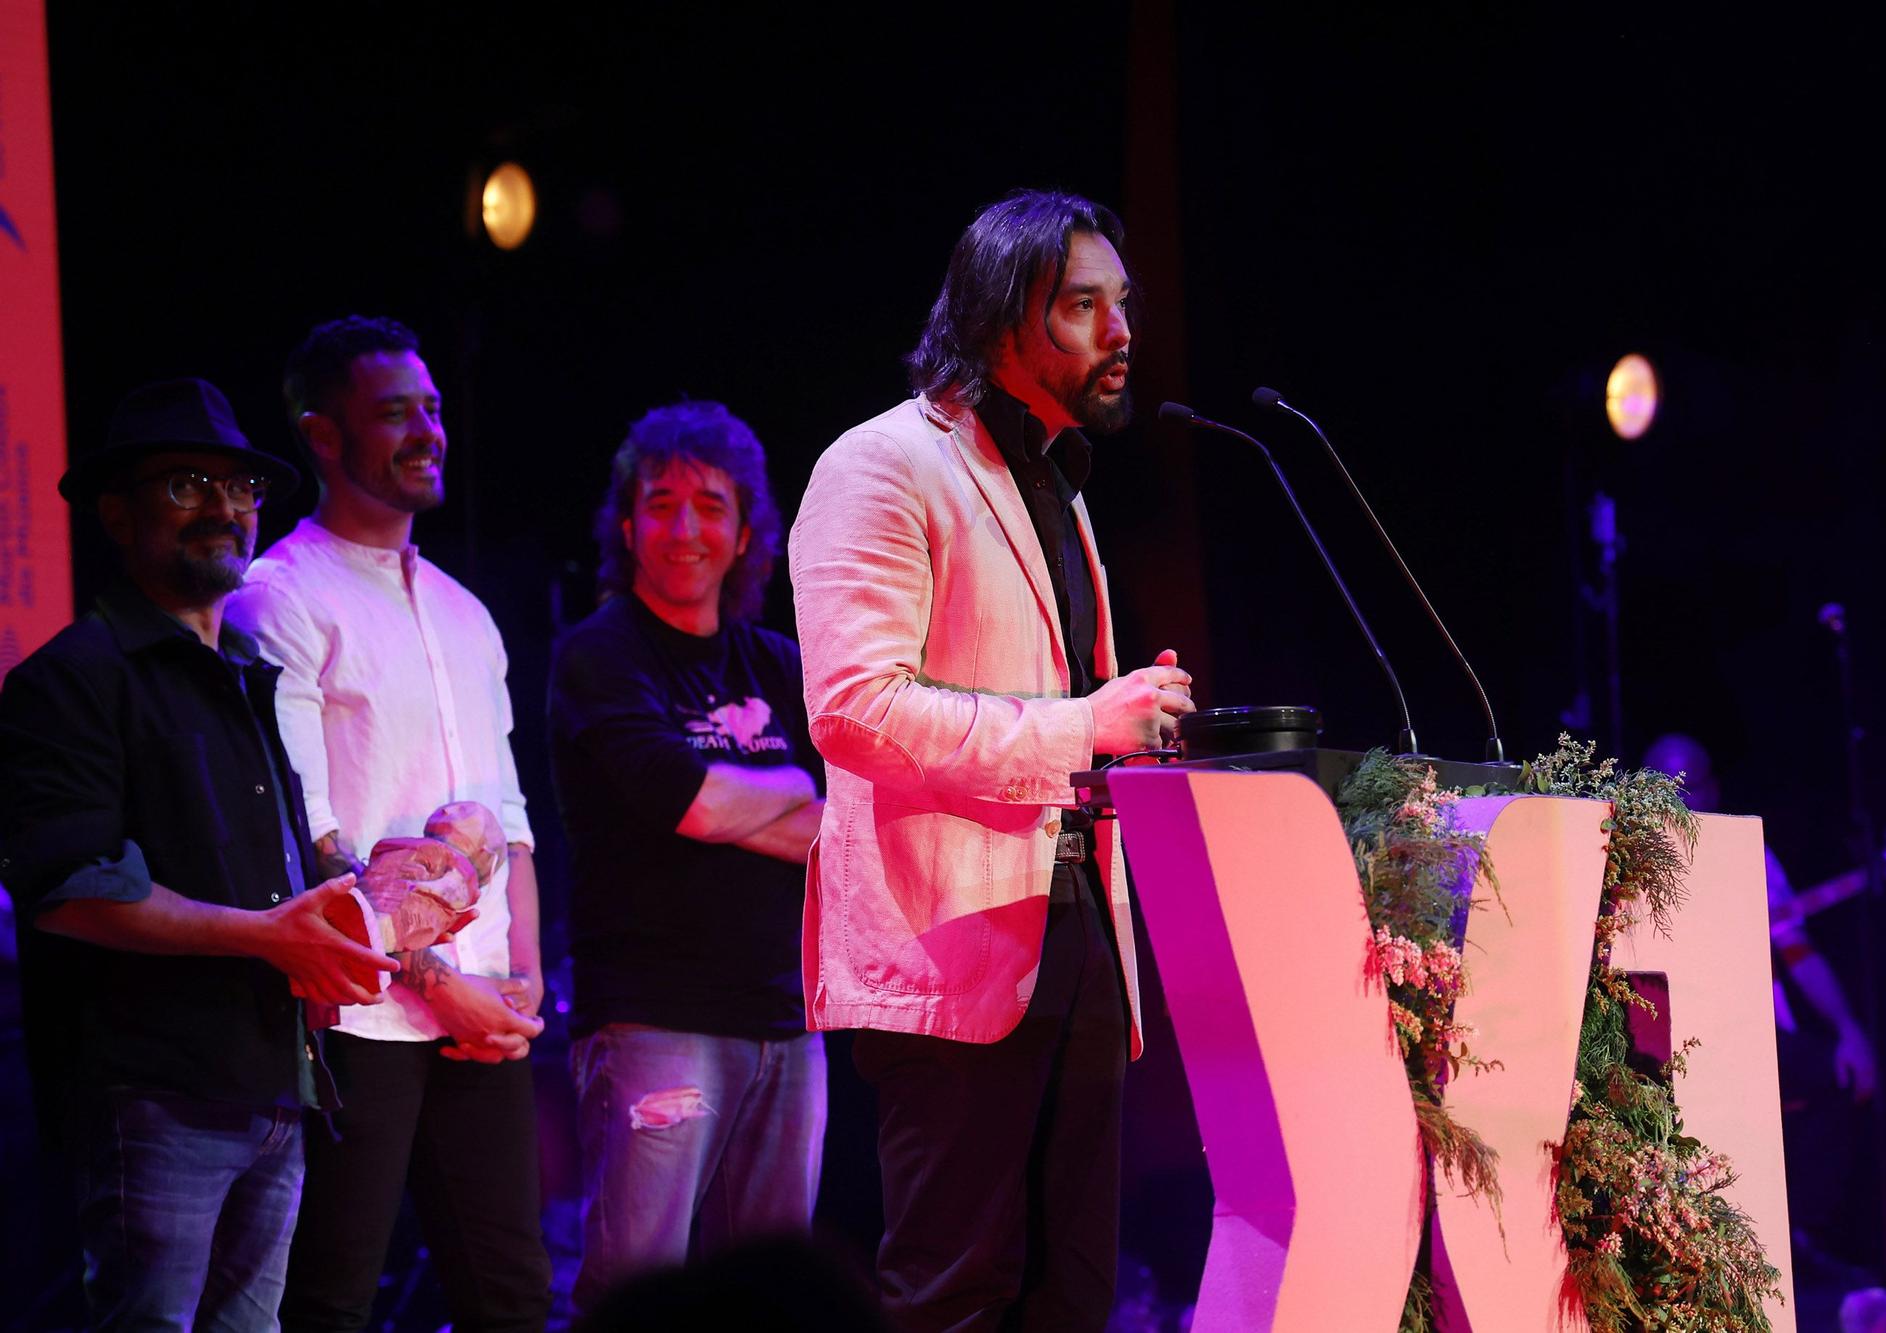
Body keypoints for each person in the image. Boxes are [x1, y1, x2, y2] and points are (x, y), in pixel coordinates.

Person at [789, 189, 1196, 1329]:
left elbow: (1052, 706)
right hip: (951, 945)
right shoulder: (878, 465)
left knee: (1071, 1294)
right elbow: (855, 709)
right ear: (997, 317)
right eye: (1082, 306)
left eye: (1122, 304)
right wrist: (1085, 725)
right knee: (952, 1295)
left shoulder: (1057, 485)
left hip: (1073, 931)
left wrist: (1129, 733)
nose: (1119, 332)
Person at [0, 377, 399, 1328]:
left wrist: (368, 907)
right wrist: (271, 936)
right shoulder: (72, 678)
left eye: (241, 487)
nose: (223, 506)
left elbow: (280, 880)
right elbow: (68, 887)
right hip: (154, 1092)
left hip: (272, 1085)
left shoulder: (246, 677)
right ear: (116, 511)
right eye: (185, 484)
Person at [227, 317, 552, 1330]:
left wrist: (525, 975)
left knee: (510, 1300)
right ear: (321, 436)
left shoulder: (466, 612)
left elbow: (509, 816)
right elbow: (303, 834)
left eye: (433, 407)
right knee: (329, 1298)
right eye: (394, 411)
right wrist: (440, 984)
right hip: (360, 1016)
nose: (427, 429)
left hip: (480, 1021)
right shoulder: (277, 597)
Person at [548, 401, 828, 1308]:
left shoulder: (779, 662)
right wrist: (786, 796)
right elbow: (691, 801)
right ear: (627, 526)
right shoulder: (600, 653)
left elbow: (845, 822)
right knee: (641, 1297)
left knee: (772, 1304)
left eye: (710, 505)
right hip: (652, 1022)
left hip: (788, 1023)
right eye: (661, 503)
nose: (684, 528)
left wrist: (761, 805)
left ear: (746, 531)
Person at [1643, 733, 1878, 1268]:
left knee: (1839, 1076)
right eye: (1666, 787)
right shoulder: (1635, 854)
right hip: (1670, 1029)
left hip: (1754, 1029)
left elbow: (1797, 948)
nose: (1680, 799)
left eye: (1691, 785)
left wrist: (1848, 1029)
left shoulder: (1751, 853)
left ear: (1714, 787)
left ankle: (1798, 1236)